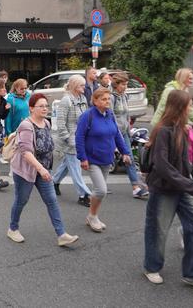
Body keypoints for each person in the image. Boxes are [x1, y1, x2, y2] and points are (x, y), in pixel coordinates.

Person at [143, 89, 193, 292]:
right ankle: (151, 267)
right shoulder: (163, 130)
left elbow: (184, 161)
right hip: (164, 188)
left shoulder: (182, 129)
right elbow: (162, 166)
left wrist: (190, 179)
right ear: (180, 107)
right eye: (189, 105)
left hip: (183, 186)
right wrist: (190, 184)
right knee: (158, 230)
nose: (191, 108)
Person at [7, 93, 80, 247]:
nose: (45, 109)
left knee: (52, 201)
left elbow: (47, 145)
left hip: (44, 170)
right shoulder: (26, 126)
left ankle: (61, 234)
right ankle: (13, 228)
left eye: (46, 106)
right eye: (41, 106)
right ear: (31, 108)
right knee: (21, 200)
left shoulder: (46, 123)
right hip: (27, 171)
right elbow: (26, 152)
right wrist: (41, 169)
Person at [76, 88, 130, 232]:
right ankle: (92, 216)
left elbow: (117, 135)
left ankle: (93, 216)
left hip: (107, 159)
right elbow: (79, 137)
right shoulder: (87, 116)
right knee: (101, 190)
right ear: (95, 101)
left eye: (108, 99)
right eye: (104, 99)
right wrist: (82, 157)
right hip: (92, 159)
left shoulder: (110, 114)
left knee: (99, 191)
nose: (107, 102)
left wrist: (125, 152)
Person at [52, 75, 92, 207]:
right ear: (75, 86)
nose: (84, 87)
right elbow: (61, 122)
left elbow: (86, 118)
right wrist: (68, 139)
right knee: (75, 168)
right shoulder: (66, 100)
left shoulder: (83, 98)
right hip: (70, 140)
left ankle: (54, 182)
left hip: (80, 139)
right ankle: (84, 194)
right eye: (82, 85)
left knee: (67, 164)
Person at [112, 73, 149, 198]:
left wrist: (129, 127)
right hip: (114, 133)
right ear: (116, 85)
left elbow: (126, 114)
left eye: (126, 84)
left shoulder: (124, 96)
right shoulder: (112, 98)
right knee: (104, 161)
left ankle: (136, 188)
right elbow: (110, 116)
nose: (125, 87)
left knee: (130, 159)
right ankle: (98, 185)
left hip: (125, 132)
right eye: (123, 84)